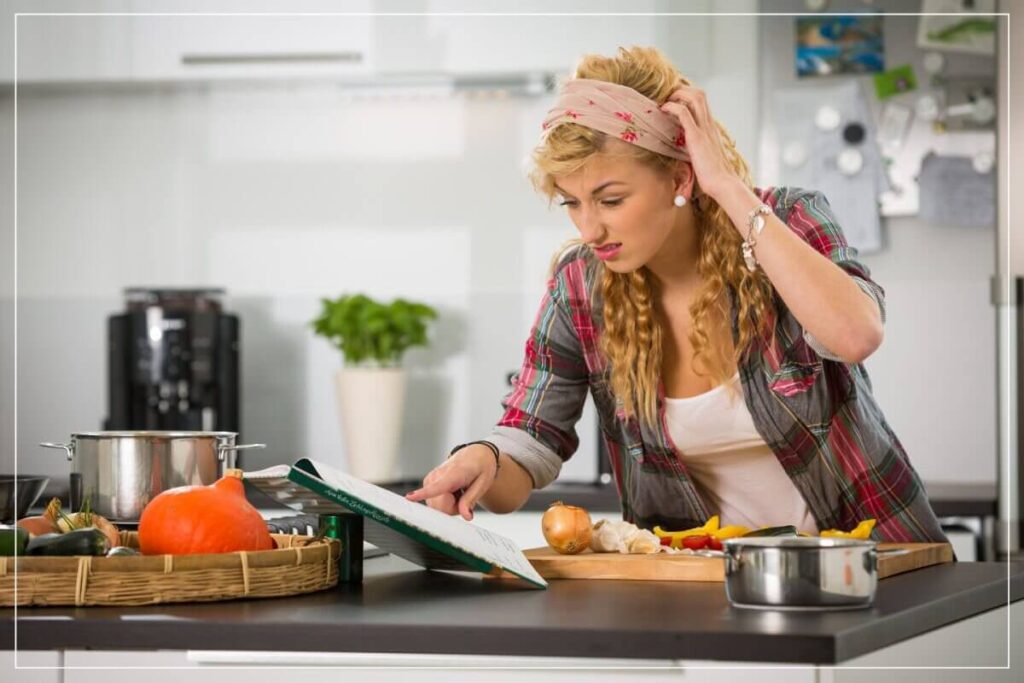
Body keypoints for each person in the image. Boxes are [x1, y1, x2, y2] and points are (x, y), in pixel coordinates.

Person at [406, 46, 947, 543]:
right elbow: (533, 435)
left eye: (611, 199)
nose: (589, 229)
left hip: (871, 570)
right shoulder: (580, 283)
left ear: (680, 180)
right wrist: (484, 458)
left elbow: (855, 334)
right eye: (571, 202)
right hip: (702, 594)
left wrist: (727, 187)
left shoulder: (787, 219)